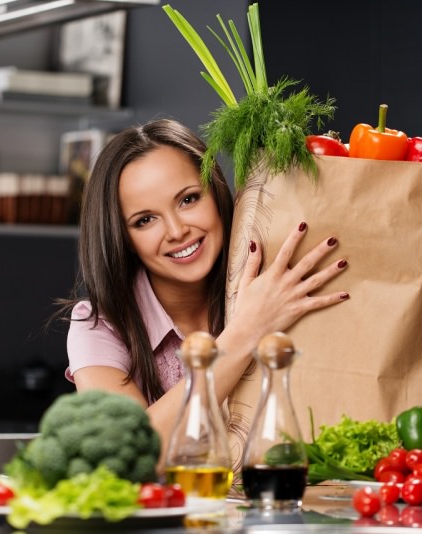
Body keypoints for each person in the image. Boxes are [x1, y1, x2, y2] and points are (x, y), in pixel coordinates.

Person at [63, 118, 349, 452]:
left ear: (215, 192)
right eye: (145, 220)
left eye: (188, 200)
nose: (176, 230)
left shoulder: (274, 288)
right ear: (123, 239)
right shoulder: (100, 326)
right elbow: (129, 452)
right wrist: (248, 330)